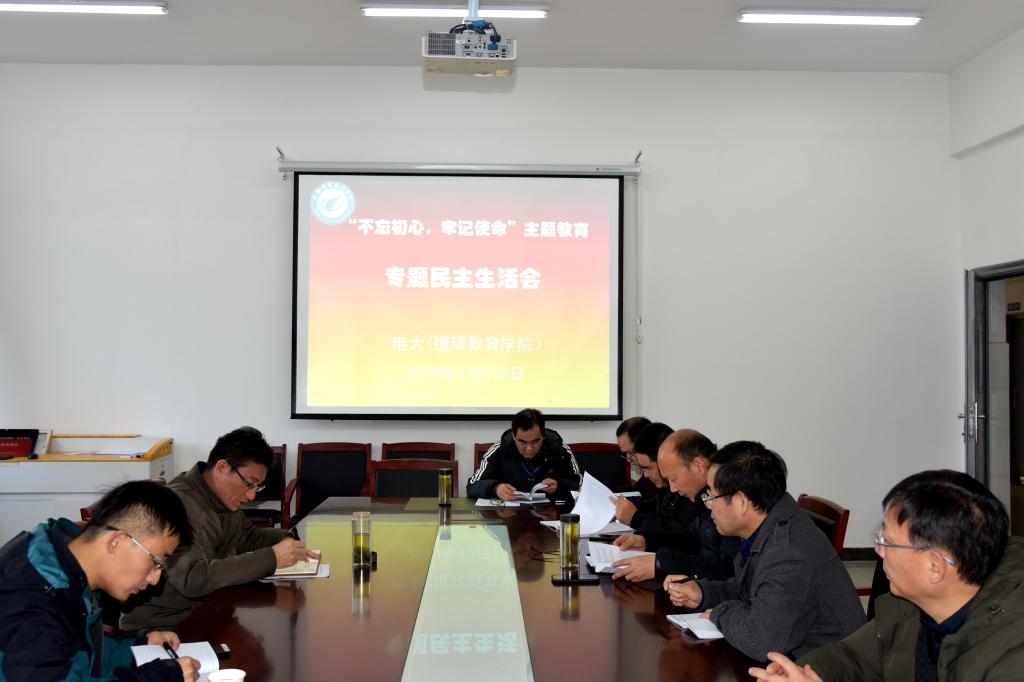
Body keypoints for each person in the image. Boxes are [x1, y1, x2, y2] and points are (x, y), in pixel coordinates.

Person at [749, 469, 1024, 682]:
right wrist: (800, 672)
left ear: (935, 566)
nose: (878, 551)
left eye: (888, 542)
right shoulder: (910, 605)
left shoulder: (1010, 653)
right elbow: (851, 656)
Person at [664, 440, 865, 662]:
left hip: (828, 669)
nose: (708, 504)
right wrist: (703, 593)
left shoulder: (788, 552)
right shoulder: (769, 523)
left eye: (710, 495)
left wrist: (720, 613)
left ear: (741, 502)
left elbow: (761, 642)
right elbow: (751, 589)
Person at [0, 480, 199, 682]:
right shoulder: (33, 601)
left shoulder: (63, 565)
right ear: (116, 542)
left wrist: (137, 647)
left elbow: (72, 652)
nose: (155, 579)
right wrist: (160, 677)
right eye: (156, 562)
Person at [121, 427, 318, 629]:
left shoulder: (220, 499)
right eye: (249, 484)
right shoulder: (176, 506)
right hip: (164, 626)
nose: (252, 496)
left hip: (210, 610)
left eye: (257, 487)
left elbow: (248, 537)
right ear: (222, 468)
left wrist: (288, 539)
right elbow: (193, 578)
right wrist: (272, 558)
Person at [611, 428, 739, 583]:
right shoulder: (702, 497)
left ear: (698, 466)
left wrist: (660, 565)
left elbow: (728, 570)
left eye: (674, 479)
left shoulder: (729, 499)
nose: (672, 489)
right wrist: (647, 541)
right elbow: (691, 540)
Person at [467, 408, 581, 500]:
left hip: (551, 516)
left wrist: (559, 485)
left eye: (536, 441)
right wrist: (496, 488)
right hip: (509, 516)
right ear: (514, 437)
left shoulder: (561, 450)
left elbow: (580, 486)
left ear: (543, 435)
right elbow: (472, 486)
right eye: (522, 442)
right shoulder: (498, 450)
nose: (529, 448)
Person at [610, 422, 695, 533]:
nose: (645, 475)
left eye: (647, 468)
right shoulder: (667, 489)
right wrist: (622, 508)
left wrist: (635, 518)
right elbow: (654, 505)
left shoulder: (688, 490)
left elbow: (683, 533)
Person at [616, 416, 658, 501]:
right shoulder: (648, 467)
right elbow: (637, 490)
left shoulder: (658, 470)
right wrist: (601, 488)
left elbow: (650, 504)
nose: (628, 459)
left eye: (630, 452)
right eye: (625, 454)